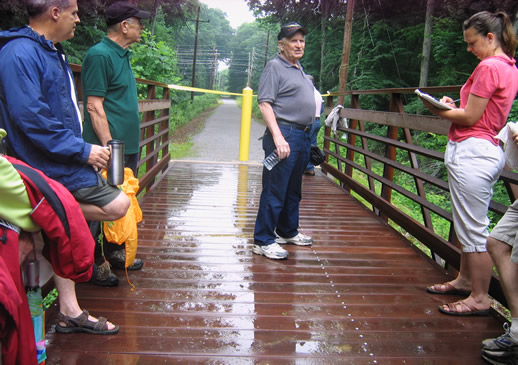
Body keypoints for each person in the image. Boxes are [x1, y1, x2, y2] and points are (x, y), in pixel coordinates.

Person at [0, 0, 128, 331]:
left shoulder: (51, 51)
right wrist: (83, 150)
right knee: (117, 203)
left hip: (58, 160)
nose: (78, 19)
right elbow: (31, 118)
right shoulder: (19, 54)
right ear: (54, 13)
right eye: (73, 12)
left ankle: (69, 311)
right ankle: (45, 214)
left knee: (59, 228)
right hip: (40, 165)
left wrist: (78, 151)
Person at [420, 11, 518, 316]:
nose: (468, 48)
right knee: (466, 222)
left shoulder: (489, 66)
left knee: (474, 229)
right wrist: (452, 107)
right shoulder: (509, 66)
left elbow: (472, 118)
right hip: (484, 149)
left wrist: (436, 109)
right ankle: (465, 279)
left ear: (490, 38)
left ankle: (479, 296)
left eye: (472, 42)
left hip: (474, 153)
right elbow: (479, 112)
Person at [81, 1, 150, 271]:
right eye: (138, 22)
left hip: (126, 145)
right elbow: (93, 105)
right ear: (124, 26)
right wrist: (110, 149)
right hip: (108, 148)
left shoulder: (121, 54)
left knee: (121, 199)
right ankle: (94, 263)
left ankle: (115, 253)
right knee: (99, 204)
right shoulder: (100, 55)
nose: (142, 27)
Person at [253, 22, 316, 260]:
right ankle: (263, 240)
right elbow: (265, 103)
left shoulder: (298, 67)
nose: (299, 45)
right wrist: (278, 136)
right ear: (281, 45)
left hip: (302, 135)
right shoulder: (274, 67)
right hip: (284, 134)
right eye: (293, 41)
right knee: (275, 189)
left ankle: (288, 231)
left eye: (301, 41)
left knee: (293, 189)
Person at [304, 75, 324, 176]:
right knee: (312, 144)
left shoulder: (308, 92)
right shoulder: (318, 93)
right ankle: (310, 168)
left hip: (309, 121)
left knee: (304, 144)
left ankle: (305, 167)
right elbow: (322, 110)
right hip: (317, 121)